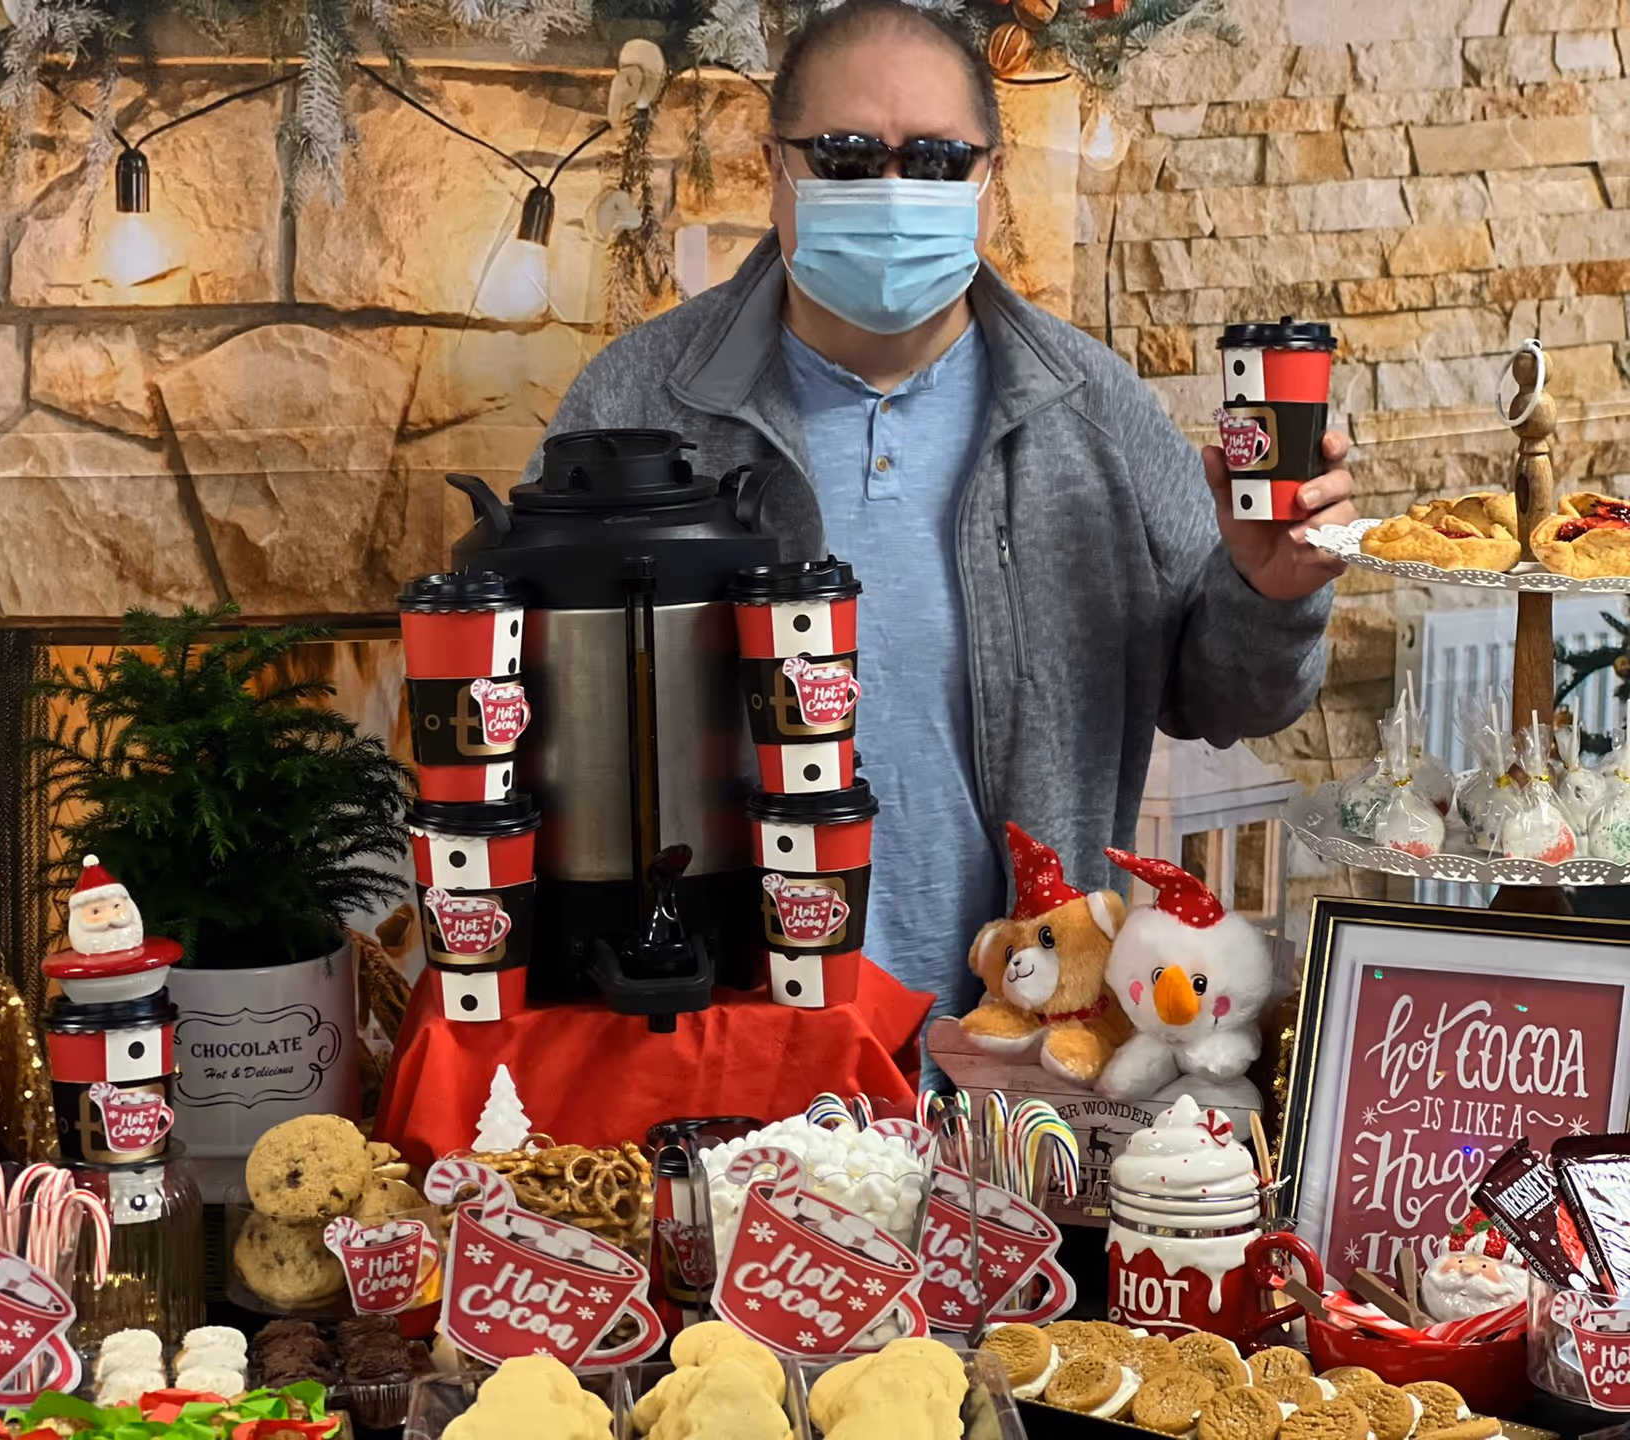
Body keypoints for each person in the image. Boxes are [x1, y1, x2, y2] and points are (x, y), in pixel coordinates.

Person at [523, 0, 1357, 1047]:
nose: (890, 190)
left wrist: (1269, 596)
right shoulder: (641, 401)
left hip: (1021, 1056)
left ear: (988, 176)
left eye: (934, 160)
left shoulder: (1092, 411)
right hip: (724, 1047)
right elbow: (526, 705)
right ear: (771, 166)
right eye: (844, 155)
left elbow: (1228, 698)